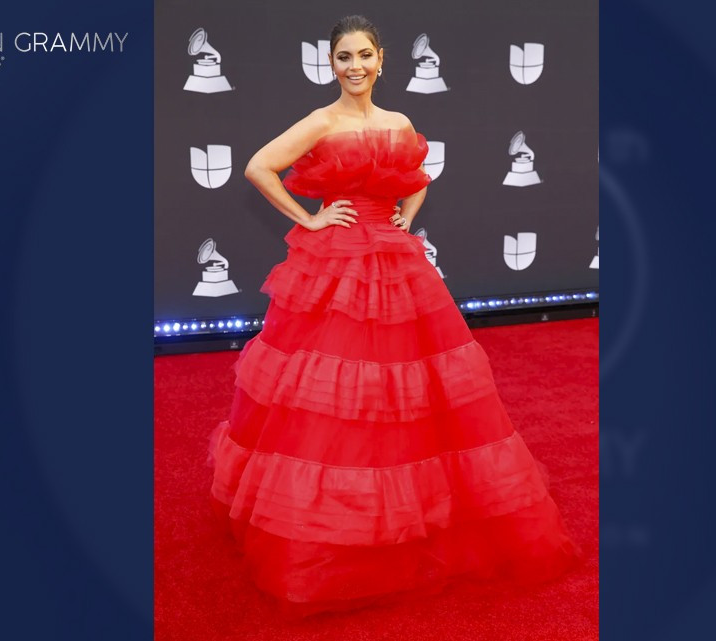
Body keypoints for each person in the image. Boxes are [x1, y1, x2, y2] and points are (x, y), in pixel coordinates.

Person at [206, 14, 578, 618]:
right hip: (338, 266)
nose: (354, 66)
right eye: (342, 56)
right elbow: (257, 166)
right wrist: (309, 219)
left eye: (363, 55)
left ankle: (414, 516)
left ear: (382, 60)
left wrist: (403, 213)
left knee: (410, 387)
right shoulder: (322, 121)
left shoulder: (399, 122)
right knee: (336, 390)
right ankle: (331, 529)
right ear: (331, 64)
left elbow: (417, 177)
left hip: (397, 261)